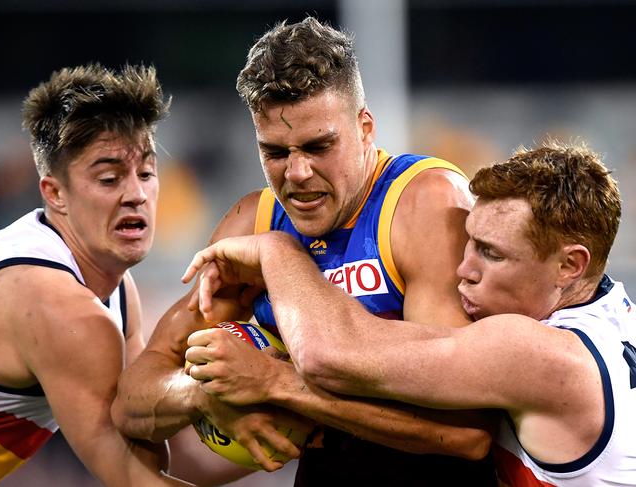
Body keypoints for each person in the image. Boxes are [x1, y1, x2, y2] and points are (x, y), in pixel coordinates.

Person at [113, 16, 497, 485]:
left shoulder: (424, 206)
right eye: (275, 152)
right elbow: (132, 401)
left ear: (364, 128)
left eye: (319, 146)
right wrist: (200, 395)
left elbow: (466, 435)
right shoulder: (253, 220)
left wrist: (280, 385)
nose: (296, 173)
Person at [185, 140, 636, 486]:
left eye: (490, 254)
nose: (463, 269)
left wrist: (276, 251)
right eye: (468, 244)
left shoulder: (543, 355)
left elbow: (332, 353)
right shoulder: (617, 322)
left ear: (570, 265)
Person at [0, 64, 196, 486]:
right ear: (55, 193)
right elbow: (130, 476)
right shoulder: (59, 306)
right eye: (109, 178)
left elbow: (143, 427)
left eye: (146, 173)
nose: (136, 194)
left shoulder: (114, 286)